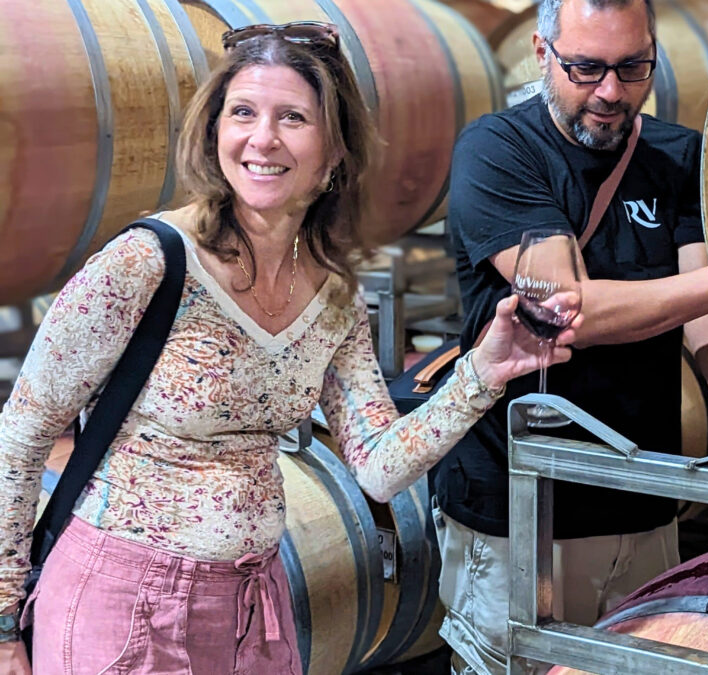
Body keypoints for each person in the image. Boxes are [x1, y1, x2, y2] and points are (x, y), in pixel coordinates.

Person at [0, 22, 579, 675]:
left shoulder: (332, 296)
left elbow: (379, 469)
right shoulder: (147, 262)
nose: (263, 138)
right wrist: (1, 622)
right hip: (124, 603)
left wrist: (484, 371)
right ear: (215, 130)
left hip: (255, 608)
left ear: (333, 153)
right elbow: (23, 432)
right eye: (242, 112)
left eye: (293, 117)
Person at [431, 0, 708, 672]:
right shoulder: (498, 150)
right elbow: (567, 312)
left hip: (643, 494)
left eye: (633, 68)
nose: (610, 91)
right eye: (587, 68)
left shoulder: (677, 156)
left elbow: (701, 314)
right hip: (523, 506)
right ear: (543, 54)